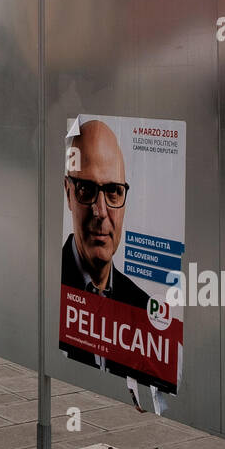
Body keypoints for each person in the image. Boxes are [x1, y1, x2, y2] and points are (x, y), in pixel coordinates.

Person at [60, 119, 151, 377]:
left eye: (113, 191)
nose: (100, 211)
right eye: (86, 190)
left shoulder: (143, 308)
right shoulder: (47, 286)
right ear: (68, 193)